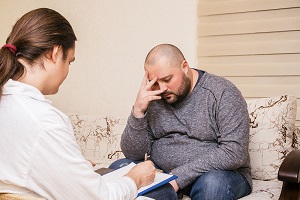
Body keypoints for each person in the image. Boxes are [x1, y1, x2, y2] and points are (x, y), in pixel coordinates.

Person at [0, 8, 156, 200]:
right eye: (70, 62)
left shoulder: (10, 102)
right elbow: (99, 197)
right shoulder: (44, 121)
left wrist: (71, 169)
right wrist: (135, 179)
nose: (67, 71)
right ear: (55, 53)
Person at [110, 44, 252, 199]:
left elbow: (234, 152)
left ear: (184, 67)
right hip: (163, 172)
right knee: (120, 169)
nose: (162, 88)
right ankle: (167, 192)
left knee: (212, 185)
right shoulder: (154, 96)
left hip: (217, 174)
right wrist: (138, 112)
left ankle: (170, 189)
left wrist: (179, 177)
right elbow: (133, 154)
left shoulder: (222, 92)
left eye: (167, 79)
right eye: (155, 82)